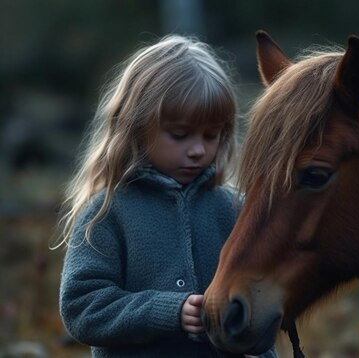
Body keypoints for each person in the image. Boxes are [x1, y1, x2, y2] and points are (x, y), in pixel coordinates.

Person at [56, 35, 277, 358]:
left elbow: (257, 308)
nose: (198, 150)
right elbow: (82, 307)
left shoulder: (230, 209)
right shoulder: (107, 213)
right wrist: (167, 311)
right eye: (180, 135)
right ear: (136, 127)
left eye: (211, 135)